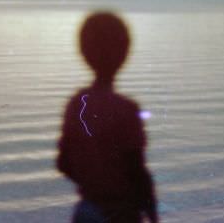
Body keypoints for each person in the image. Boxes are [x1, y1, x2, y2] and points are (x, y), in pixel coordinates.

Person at [57, 12, 158, 223]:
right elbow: (137, 172)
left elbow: (63, 162)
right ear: (125, 53)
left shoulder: (76, 105)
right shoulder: (127, 110)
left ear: (83, 52)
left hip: (86, 210)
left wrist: (91, 180)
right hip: (121, 214)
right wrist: (152, 214)